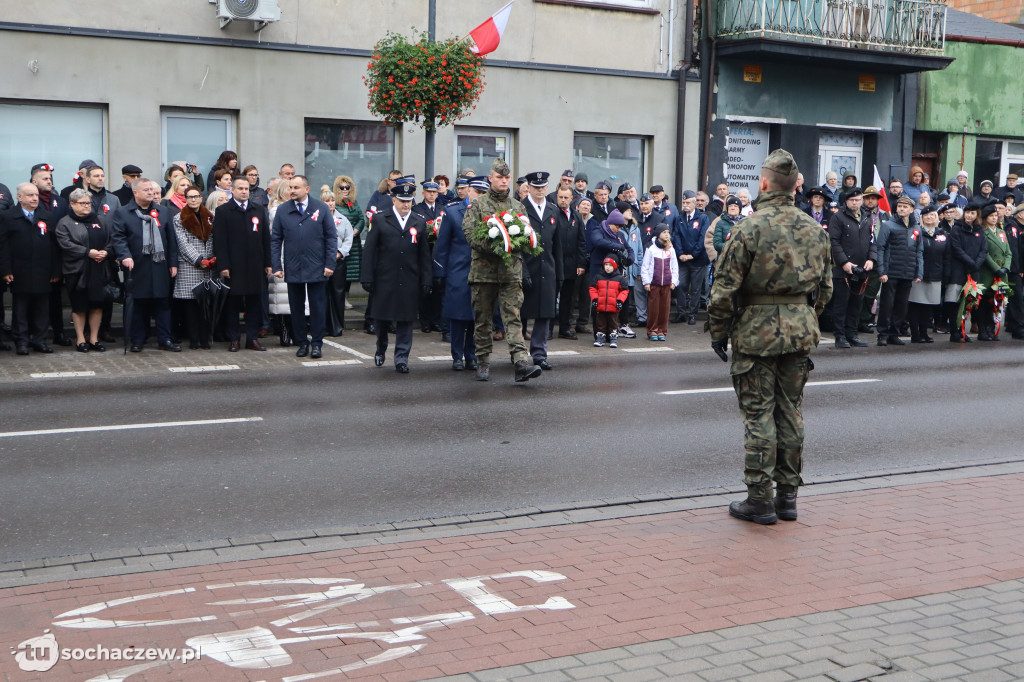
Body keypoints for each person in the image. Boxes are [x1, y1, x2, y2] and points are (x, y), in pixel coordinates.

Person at [707, 149, 832, 525]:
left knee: (759, 414)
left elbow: (723, 289)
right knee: (790, 412)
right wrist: (804, 318)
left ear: (763, 184)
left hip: (756, 332)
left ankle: (760, 499)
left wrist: (718, 331)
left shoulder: (748, 227)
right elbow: (825, 291)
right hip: (800, 330)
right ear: (796, 186)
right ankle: (788, 497)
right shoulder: (815, 228)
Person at [462, 158, 541, 383]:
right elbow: (469, 235)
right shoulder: (477, 206)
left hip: (510, 273)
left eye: (507, 177)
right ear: (491, 178)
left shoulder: (518, 206)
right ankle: (483, 361)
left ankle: (520, 363)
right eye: (499, 177)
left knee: (513, 317)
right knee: (483, 320)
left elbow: (527, 236)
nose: (504, 181)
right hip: (483, 274)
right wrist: (497, 246)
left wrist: (515, 244)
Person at [360, 182, 430, 373]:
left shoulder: (418, 221)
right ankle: (381, 348)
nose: (406, 205)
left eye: (409, 201)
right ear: (394, 200)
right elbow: (370, 251)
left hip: (409, 279)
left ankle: (401, 358)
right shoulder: (381, 219)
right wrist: (367, 276)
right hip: (385, 278)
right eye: (402, 201)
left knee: (406, 320)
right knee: (382, 319)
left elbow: (424, 255)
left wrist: (426, 279)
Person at [271, 176, 338, 359]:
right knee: (296, 308)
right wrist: (277, 265)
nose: (292, 190)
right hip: (293, 266)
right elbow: (276, 239)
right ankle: (301, 342)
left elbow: (331, 238)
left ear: (307, 189)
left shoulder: (321, 208)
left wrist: (330, 263)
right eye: (290, 187)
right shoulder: (283, 210)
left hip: (317, 266)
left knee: (317, 307)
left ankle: (317, 343)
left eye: (296, 187)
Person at [111, 179, 180, 352]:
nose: (151, 193)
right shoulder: (123, 213)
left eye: (152, 190)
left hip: (160, 265)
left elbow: (171, 239)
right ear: (135, 193)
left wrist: (173, 263)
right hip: (137, 266)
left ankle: (165, 339)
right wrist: (125, 256)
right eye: (147, 190)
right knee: (138, 304)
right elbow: (118, 238)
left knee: (163, 303)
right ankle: (137, 340)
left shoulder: (163, 212)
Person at [0, 182, 61, 354]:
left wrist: (55, 271)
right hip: (19, 271)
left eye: (36, 195)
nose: (35, 198)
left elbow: (54, 246)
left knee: (42, 308)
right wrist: (6, 270)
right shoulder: (8, 217)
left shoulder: (46, 216)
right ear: (19, 197)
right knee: (21, 308)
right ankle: (21, 341)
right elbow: (3, 246)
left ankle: (40, 340)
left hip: (43, 270)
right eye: (30, 195)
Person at [215, 177, 272, 351]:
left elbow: (266, 238)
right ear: (232, 190)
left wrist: (268, 263)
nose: (244, 191)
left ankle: (252, 337)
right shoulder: (224, 211)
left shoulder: (259, 210)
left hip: (256, 264)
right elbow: (220, 241)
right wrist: (223, 265)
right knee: (233, 303)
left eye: (246, 188)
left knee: (255, 302)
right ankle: (234, 338)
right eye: (240, 188)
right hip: (234, 266)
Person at [434, 176, 485, 370]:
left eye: (483, 193)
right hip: (458, 271)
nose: (479, 196)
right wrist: (439, 272)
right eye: (476, 192)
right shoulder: (453, 212)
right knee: (458, 316)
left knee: (476, 316)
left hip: (481, 272)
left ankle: (471, 354)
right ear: (468, 190)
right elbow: (442, 246)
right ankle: (457, 355)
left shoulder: (490, 213)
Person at [55, 188, 114, 352]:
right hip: (77, 271)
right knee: (79, 306)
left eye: (89, 203)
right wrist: (87, 252)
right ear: (72, 204)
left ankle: (94, 339)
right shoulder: (65, 222)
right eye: (83, 203)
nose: (87, 206)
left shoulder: (101, 220)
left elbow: (111, 239)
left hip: (99, 269)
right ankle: (81, 339)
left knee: (97, 305)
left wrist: (106, 251)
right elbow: (65, 244)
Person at [521, 171, 564, 370]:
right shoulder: (521, 209)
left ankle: (539, 353)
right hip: (526, 269)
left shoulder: (553, 210)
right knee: (519, 313)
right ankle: (518, 355)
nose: (540, 190)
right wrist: (521, 271)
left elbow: (558, 247)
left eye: (543, 187)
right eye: (536, 187)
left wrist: (560, 274)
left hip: (547, 269)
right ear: (528, 187)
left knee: (544, 314)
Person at [827, 186, 876, 348]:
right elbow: (834, 242)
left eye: (858, 200)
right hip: (843, 269)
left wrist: (872, 259)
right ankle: (840, 336)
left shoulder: (867, 217)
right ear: (846, 201)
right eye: (852, 200)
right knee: (841, 304)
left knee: (856, 304)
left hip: (862, 268)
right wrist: (844, 263)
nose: (856, 203)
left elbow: (872, 241)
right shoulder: (838, 217)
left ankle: (852, 334)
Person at [874, 195, 923, 346]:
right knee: (887, 304)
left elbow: (919, 251)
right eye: (900, 206)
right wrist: (881, 271)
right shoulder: (889, 225)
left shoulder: (916, 228)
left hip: (907, 272)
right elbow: (880, 248)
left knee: (901, 305)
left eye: (905, 207)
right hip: (891, 271)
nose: (901, 209)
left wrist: (918, 272)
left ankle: (894, 333)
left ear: (911, 210)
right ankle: (883, 333)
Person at [171, 186, 215, 349]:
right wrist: (199, 260)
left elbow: (212, 239)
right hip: (190, 265)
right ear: (185, 199)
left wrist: (211, 258)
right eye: (190, 197)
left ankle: (205, 338)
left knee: (205, 303)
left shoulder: (210, 216)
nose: (194, 199)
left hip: (209, 265)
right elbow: (183, 243)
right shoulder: (179, 218)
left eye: (196, 196)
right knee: (191, 305)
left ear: (201, 198)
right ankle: (194, 339)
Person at [946, 202, 986, 342]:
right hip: (958, 271)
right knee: (955, 302)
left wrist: (977, 263)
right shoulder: (957, 229)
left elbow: (983, 250)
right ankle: (954, 331)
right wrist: (970, 262)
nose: (969, 215)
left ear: (977, 215)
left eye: (972, 213)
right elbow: (956, 249)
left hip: (973, 271)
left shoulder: (979, 230)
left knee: (968, 302)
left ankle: (962, 329)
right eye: (967, 212)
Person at [907, 205, 947, 343]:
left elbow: (947, 255)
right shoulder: (916, 232)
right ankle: (915, 334)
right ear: (922, 218)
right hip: (918, 275)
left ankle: (924, 333)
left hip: (935, 274)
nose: (929, 217)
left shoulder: (942, 234)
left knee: (928, 306)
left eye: (932, 215)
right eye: (926, 215)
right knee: (915, 305)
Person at [671, 193, 711, 324]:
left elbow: (703, 237)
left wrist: (693, 254)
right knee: (681, 285)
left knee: (695, 288)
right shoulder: (679, 218)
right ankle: (681, 313)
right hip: (682, 260)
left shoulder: (703, 218)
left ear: (694, 203)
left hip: (698, 260)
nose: (686, 205)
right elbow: (676, 236)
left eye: (688, 203)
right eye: (684, 203)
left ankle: (692, 314)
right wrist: (680, 254)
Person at [554, 185, 586, 340]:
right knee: (551, 297)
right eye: (560, 197)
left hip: (571, 264)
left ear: (572, 199)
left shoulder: (576, 216)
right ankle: (547, 329)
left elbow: (581, 241)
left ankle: (564, 328)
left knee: (568, 298)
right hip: (554, 263)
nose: (563, 200)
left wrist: (581, 264)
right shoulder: (552, 214)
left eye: (566, 197)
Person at [976, 202, 1012, 341]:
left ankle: (991, 328)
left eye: (996, 215)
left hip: (1002, 272)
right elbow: (984, 253)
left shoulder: (1001, 232)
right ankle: (982, 330)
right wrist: (996, 269)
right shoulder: (983, 232)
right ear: (985, 217)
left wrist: (1005, 267)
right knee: (985, 302)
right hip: (988, 272)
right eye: (991, 216)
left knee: (995, 301)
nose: (994, 218)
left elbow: (1008, 252)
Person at [413, 180, 445, 334]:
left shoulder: (443, 209)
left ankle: (436, 320)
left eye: (434, 192)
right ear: (423, 193)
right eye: (429, 192)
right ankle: (425, 321)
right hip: (424, 252)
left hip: (438, 253)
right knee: (425, 287)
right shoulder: (417, 209)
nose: (432, 194)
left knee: (438, 287)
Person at [322, 185, 353, 336]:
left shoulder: (343, 219)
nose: (331, 203)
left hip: (338, 261)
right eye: (327, 201)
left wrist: (340, 253)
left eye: (332, 200)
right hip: (322, 260)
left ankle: (338, 325)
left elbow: (349, 239)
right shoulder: (318, 218)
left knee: (338, 293)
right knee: (322, 293)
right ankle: (323, 325)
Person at [333, 175, 365, 322]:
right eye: (342, 187)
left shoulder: (354, 203)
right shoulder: (335, 204)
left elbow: (361, 218)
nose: (345, 190)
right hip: (341, 242)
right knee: (341, 272)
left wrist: (356, 231)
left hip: (354, 242)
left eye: (347, 187)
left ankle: (346, 296)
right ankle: (340, 298)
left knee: (351, 272)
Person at [641, 227, 678, 341]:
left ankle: (662, 330)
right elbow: (645, 266)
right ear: (658, 234)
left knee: (664, 309)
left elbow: (674, 266)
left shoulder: (671, 249)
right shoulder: (651, 249)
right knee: (654, 309)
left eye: (668, 232)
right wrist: (646, 281)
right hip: (654, 283)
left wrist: (674, 281)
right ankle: (652, 330)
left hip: (666, 284)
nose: (667, 234)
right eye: (664, 232)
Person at [589, 256, 629, 348]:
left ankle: (613, 338)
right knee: (600, 323)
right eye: (606, 265)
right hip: (601, 305)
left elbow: (624, 291)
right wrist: (595, 299)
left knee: (613, 323)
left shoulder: (620, 278)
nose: (607, 267)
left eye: (610, 265)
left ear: (615, 266)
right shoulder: (598, 277)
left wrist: (619, 301)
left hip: (613, 306)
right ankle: (600, 338)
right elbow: (592, 288)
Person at [705, 196, 742, 263]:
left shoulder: (745, 222)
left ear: (739, 209)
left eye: (735, 206)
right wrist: (732, 247)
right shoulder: (720, 222)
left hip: (741, 261)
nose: (732, 208)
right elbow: (717, 244)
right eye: (730, 206)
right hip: (724, 261)